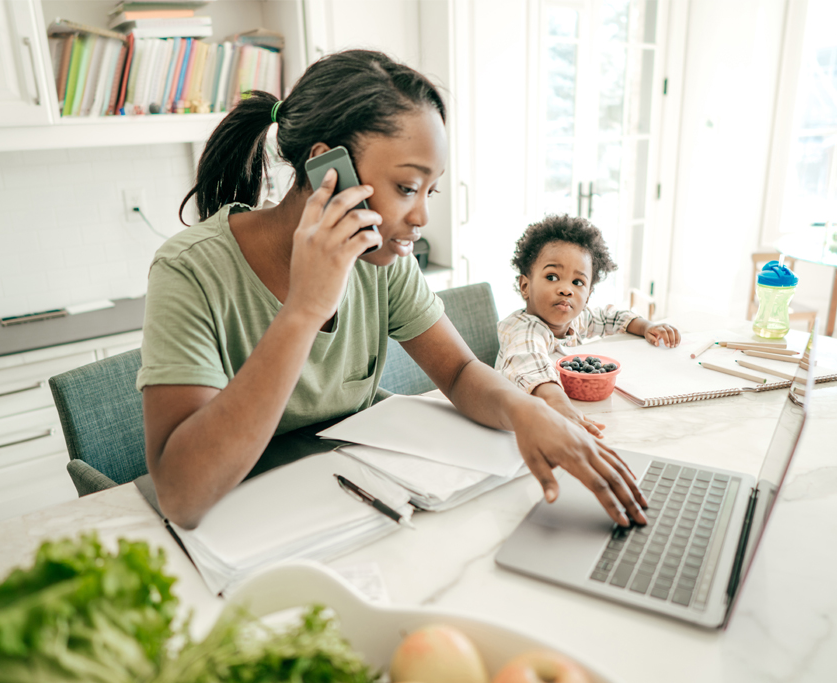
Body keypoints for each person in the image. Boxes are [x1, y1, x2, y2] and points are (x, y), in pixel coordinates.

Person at [137, 50, 647, 531]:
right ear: (326, 170)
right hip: (242, 523)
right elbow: (183, 495)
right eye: (407, 188)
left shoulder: (379, 260)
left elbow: (460, 370)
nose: (422, 217)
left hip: (351, 504)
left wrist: (527, 411)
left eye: (431, 190)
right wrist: (305, 310)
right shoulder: (190, 270)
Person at [496, 214, 681, 433]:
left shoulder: (578, 318)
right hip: (517, 424)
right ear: (525, 286)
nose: (566, 289)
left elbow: (608, 316)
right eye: (552, 277)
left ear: (588, 296)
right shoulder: (524, 328)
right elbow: (529, 360)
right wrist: (558, 402)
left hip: (561, 411)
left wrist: (646, 327)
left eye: (577, 282)